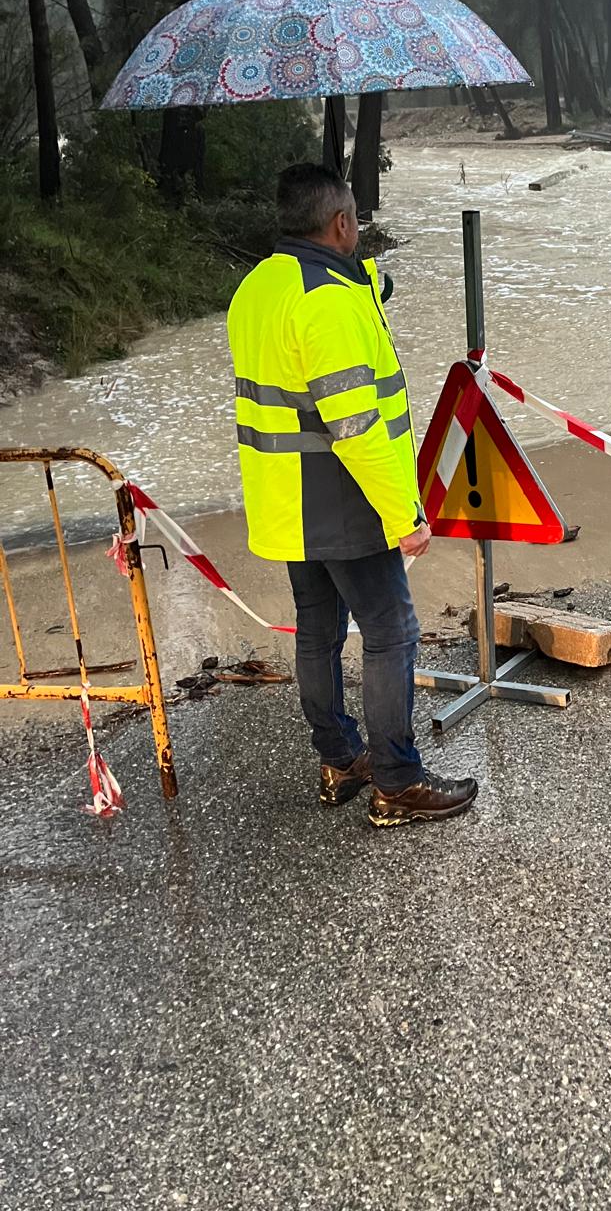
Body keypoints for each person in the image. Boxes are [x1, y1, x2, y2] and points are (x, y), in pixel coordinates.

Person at [226, 163, 477, 828]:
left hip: (285, 500)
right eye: (356, 217)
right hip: (343, 498)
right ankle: (397, 782)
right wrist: (404, 513)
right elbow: (356, 426)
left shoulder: (259, 287)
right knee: (391, 630)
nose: (359, 227)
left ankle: (340, 760)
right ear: (341, 223)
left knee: (318, 626)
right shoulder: (326, 299)